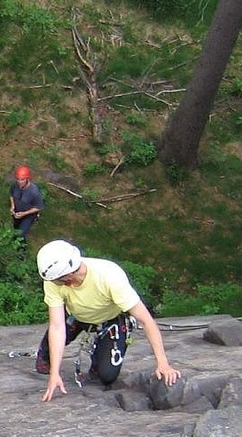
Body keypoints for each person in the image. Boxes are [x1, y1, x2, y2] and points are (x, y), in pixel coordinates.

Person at [35, 239, 181, 403]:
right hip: (76, 315)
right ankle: (45, 352)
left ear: (68, 276)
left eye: (57, 281)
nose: (53, 284)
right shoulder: (53, 279)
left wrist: (163, 363)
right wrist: (55, 373)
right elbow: (57, 326)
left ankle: (99, 356)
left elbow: (146, 320)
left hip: (110, 320)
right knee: (43, 366)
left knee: (106, 376)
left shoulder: (109, 275)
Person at [10, 165, 44, 245]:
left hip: (29, 215)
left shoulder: (34, 192)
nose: (19, 182)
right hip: (17, 211)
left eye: (22, 180)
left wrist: (24, 214)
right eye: (18, 179)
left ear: (27, 179)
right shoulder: (15, 185)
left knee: (20, 234)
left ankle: (22, 251)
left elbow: (39, 207)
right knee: (16, 229)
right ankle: (15, 242)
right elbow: (11, 195)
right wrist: (12, 206)